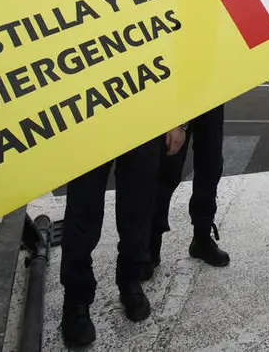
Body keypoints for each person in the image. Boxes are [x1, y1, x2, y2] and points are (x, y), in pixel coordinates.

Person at [59, 129, 181, 347]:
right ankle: (76, 297)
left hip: (145, 117)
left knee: (138, 205)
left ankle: (130, 278)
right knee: (82, 209)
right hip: (91, 118)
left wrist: (175, 123)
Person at [148, 104, 230, 275]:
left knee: (211, 167)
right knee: (167, 174)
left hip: (212, 95)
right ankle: (151, 244)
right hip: (178, 98)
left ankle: (202, 237)